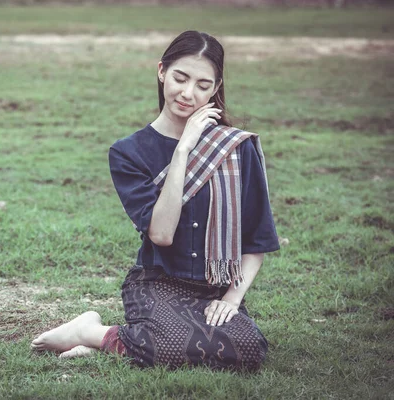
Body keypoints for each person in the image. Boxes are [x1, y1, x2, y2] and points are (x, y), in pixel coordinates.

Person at [31, 30, 280, 371]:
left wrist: (232, 298)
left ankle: (113, 341)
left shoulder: (237, 148)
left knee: (249, 351)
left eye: (203, 85)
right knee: (170, 346)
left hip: (216, 287)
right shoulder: (128, 152)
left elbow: (257, 238)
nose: (188, 93)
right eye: (180, 78)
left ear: (216, 88)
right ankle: (91, 331)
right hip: (157, 280)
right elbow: (161, 234)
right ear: (162, 71)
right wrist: (183, 150)